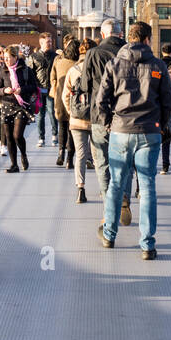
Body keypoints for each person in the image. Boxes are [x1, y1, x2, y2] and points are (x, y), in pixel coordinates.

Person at [95, 21, 171, 259]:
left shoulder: (115, 64)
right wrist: (160, 123)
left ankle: (109, 234)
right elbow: (168, 101)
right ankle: (147, 244)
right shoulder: (158, 65)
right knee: (148, 186)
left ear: (129, 38)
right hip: (149, 131)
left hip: (120, 130)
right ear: (148, 39)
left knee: (116, 184)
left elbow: (101, 100)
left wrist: (109, 122)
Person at [79, 18, 125, 209]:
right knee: (123, 161)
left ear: (102, 35)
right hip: (126, 115)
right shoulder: (129, 52)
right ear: (120, 34)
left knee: (102, 161)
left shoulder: (93, 53)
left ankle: (109, 204)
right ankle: (123, 197)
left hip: (100, 114)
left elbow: (84, 86)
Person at [0, 42, 37, 172]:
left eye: (8, 57)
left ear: (15, 57)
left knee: (17, 135)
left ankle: (23, 155)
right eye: (4, 58)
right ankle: (14, 165)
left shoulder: (26, 70)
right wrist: (5, 90)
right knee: (9, 137)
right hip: (6, 106)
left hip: (21, 106)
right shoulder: (2, 71)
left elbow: (34, 87)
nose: (5, 60)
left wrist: (21, 89)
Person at [62, 51, 94, 203]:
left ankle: (80, 188)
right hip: (95, 119)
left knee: (80, 155)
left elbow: (65, 96)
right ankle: (104, 188)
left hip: (77, 120)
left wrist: (72, 113)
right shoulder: (98, 69)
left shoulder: (72, 71)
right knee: (99, 155)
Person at [49, 36, 78, 168]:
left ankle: (61, 153)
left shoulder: (58, 60)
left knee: (62, 127)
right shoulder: (78, 64)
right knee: (72, 129)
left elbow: (52, 78)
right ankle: (69, 160)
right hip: (74, 99)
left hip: (60, 97)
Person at [29, 32, 58, 148]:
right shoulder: (34, 57)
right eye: (48, 42)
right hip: (39, 90)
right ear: (41, 43)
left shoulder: (55, 56)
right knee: (40, 115)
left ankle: (55, 136)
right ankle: (41, 138)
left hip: (51, 89)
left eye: (51, 41)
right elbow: (30, 74)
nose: (50, 43)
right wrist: (33, 88)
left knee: (52, 113)